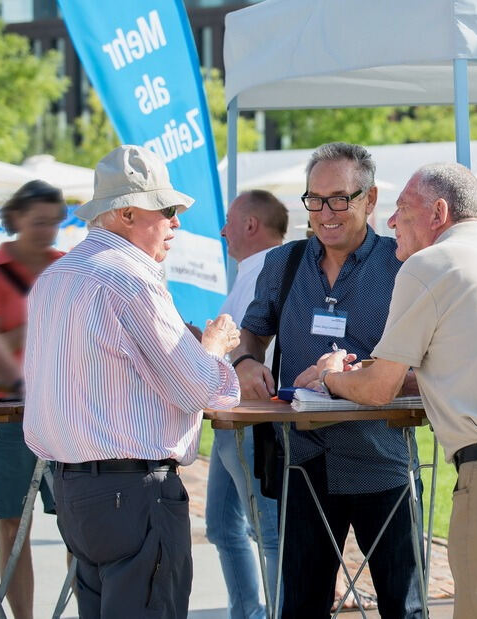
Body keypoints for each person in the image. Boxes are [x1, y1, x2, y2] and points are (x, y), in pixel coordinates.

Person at [296, 162, 477, 618]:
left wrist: (329, 374)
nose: (391, 222)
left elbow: (378, 389)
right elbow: (471, 362)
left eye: (402, 210)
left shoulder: (427, 264)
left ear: (438, 212)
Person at [22, 144, 242, 618]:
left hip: (78, 492)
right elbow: (202, 388)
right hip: (133, 492)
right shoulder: (132, 279)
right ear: (125, 214)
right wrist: (215, 347)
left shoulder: (55, 277)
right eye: (167, 210)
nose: (176, 223)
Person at [232, 142, 422, 618]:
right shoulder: (284, 263)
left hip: (383, 459)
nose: (326, 212)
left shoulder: (403, 267)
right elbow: (251, 334)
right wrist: (245, 363)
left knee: (404, 607)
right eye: (315, 200)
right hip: (304, 461)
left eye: (340, 198)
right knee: (300, 606)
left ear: (370, 199)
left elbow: (429, 363)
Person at [208, 190, 287, 619]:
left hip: (254, 420)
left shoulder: (268, 270)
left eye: (229, 222)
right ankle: (249, 613)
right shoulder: (252, 271)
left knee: (268, 533)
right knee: (222, 527)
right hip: (231, 420)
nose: (222, 231)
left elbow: (249, 352)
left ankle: (269, 613)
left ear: (251, 225)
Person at [0, 180, 66, 619]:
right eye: (37, 221)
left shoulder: (66, 267)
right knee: (13, 525)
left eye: (53, 222)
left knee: (79, 523)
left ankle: (89, 609)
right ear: (15, 218)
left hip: (63, 411)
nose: (45, 231)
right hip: (11, 413)